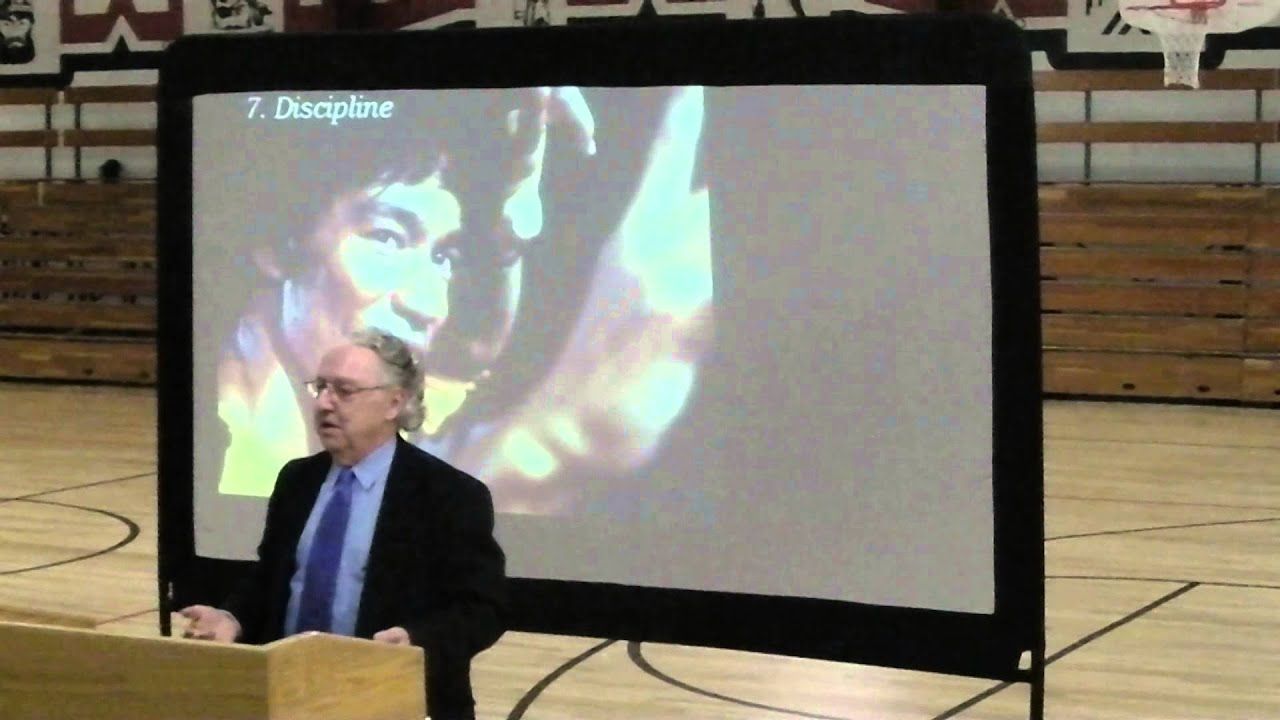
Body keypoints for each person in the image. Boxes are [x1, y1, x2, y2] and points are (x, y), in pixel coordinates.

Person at [183, 329, 507, 720]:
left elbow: (482, 609)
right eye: (320, 387)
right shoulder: (297, 479)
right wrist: (232, 618)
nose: (324, 403)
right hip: (290, 696)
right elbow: (271, 580)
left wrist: (417, 641)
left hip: (392, 701)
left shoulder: (449, 494)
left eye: (344, 391)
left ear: (394, 403)